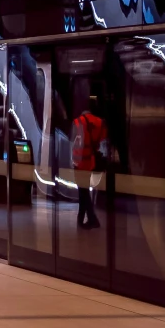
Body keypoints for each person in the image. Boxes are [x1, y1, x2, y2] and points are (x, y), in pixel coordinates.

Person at [70, 90, 108, 231]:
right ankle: (83, 219)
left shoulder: (77, 122)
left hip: (80, 163)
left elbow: (73, 142)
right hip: (93, 162)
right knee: (84, 191)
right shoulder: (100, 122)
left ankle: (91, 219)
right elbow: (103, 142)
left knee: (83, 191)